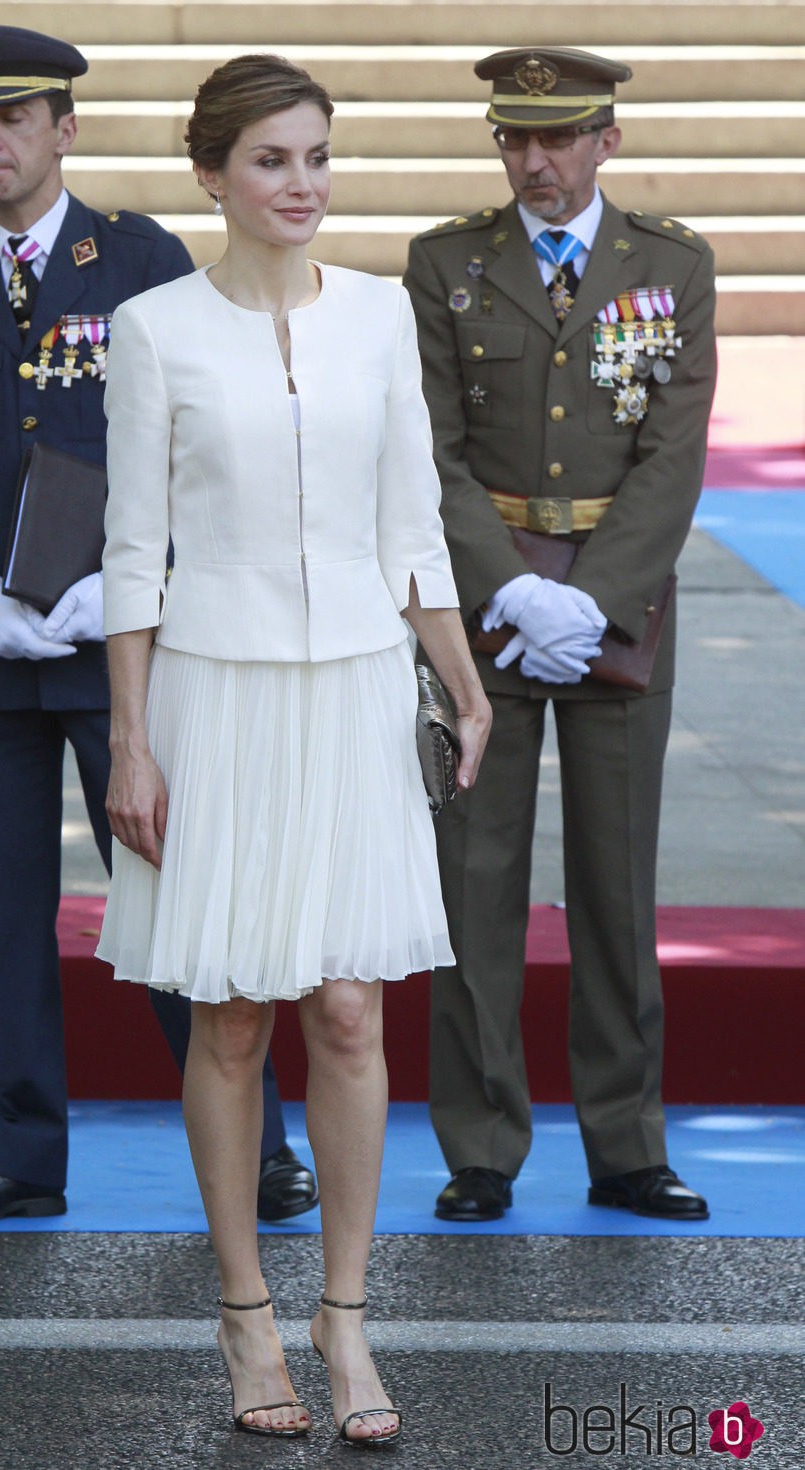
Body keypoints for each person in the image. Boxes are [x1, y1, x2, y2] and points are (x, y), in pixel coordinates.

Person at [96, 53, 491, 1445]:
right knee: (232, 1011)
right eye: (271, 160)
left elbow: (413, 524)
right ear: (212, 173)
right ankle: (245, 1313)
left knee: (349, 1008)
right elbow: (133, 553)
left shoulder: (381, 317)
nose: (302, 184)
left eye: (317, 156)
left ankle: (346, 1316)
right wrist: (131, 740)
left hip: (356, 691)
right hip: (215, 692)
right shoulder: (153, 330)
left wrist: (459, 672)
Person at [0, 25, 312, 1226]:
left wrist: (136, 581)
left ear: (63, 130)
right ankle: (21, 1153)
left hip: (119, 649)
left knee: (175, 894)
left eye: (13, 119)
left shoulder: (136, 259)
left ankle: (258, 1142)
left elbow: (195, 437)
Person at [403, 47, 716, 1224]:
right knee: (471, 877)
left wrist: (592, 599)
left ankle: (625, 1143)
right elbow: (426, 450)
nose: (532, 161)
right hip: (482, 610)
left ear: (604, 142)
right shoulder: (445, 263)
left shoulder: (670, 264)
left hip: (616, 610)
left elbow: (673, 451)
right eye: (511, 139)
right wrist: (508, 592)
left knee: (614, 883)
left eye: (556, 138)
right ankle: (479, 1145)